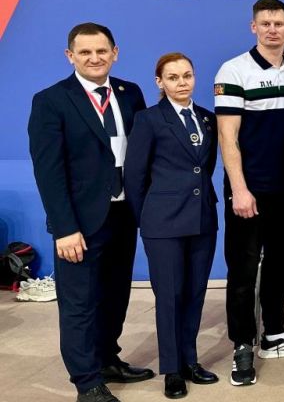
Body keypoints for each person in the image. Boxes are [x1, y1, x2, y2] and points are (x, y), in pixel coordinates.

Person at [28, 22, 153, 402]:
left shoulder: (130, 93)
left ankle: (107, 360)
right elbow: (49, 172)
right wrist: (64, 228)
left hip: (123, 214)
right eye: (85, 52)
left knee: (115, 295)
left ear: (115, 53)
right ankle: (87, 381)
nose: (94, 58)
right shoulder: (51, 100)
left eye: (101, 51)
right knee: (79, 303)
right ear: (71, 56)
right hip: (79, 222)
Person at [214, 0, 284, 386]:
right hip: (249, 190)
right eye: (265, 24)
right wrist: (239, 189)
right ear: (253, 27)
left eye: (279, 24)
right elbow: (227, 136)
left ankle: (273, 333)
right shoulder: (234, 70)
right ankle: (243, 343)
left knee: (280, 263)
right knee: (242, 270)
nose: (273, 30)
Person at [123, 53, 220, 399]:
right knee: (169, 296)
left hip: (202, 218)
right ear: (160, 82)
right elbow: (134, 176)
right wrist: (147, 217)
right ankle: (172, 370)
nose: (182, 83)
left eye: (187, 75)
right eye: (173, 77)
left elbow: (205, 168)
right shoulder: (148, 119)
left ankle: (190, 360)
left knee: (195, 293)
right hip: (162, 222)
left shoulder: (207, 118)